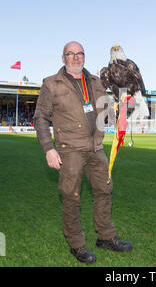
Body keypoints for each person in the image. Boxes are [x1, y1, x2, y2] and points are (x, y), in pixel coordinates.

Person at [33, 41, 132, 264]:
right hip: (70, 150)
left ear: (84, 57)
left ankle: (106, 237)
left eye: (80, 54)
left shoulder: (97, 82)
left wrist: (124, 104)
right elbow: (40, 118)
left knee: (105, 191)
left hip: (96, 149)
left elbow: (107, 110)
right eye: (71, 54)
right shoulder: (51, 84)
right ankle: (77, 245)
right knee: (71, 197)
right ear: (63, 58)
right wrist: (48, 149)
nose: (76, 57)